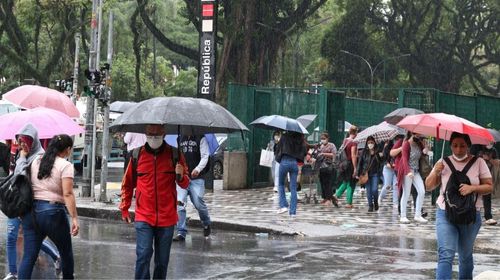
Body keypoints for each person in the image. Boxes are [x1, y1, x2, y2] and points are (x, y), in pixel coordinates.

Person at [120, 124, 190, 279]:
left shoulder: (175, 154)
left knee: (162, 261)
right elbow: (127, 183)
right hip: (144, 215)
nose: (153, 137)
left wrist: (180, 175)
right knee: (143, 255)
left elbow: (185, 184)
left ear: (164, 134)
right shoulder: (136, 155)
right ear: (145, 133)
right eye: (150, 134)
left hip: (167, 217)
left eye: (157, 134)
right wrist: (124, 208)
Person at [425, 132, 492, 280]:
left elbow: (489, 186)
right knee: (445, 254)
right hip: (445, 213)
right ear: (450, 146)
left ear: (468, 146)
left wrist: (472, 188)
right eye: (455, 145)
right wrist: (436, 171)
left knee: (465, 256)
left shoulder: (479, 162)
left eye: (462, 146)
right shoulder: (442, 162)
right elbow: (429, 186)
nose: (459, 149)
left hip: (470, 215)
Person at [18, 133, 79, 279]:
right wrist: (75, 218)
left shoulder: (35, 161)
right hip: (52, 213)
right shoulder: (65, 165)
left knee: (29, 256)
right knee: (65, 253)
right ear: (67, 149)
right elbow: (68, 194)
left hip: (31, 213)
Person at [173, 134, 212, 241]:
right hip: (182, 177)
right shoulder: (180, 138)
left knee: (198, 202)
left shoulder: (201, 138)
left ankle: (206, 223)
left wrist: (198, 169)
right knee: (179, 202)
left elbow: (205, 156)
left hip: (197, 178)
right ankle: (181, 231)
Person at [396, 132, 428, 224]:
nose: (418, 136)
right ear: (411, 134)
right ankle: (403, 216)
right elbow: (404, 159)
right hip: (407, 171)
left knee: (422, 191)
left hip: (416, 171)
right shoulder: (406, 144)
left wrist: (425, 151)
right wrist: (408, 172)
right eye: (416, 135)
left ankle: (417, 215)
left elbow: (422, 155)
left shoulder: (419, 143)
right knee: (406, 193)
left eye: (419, 135)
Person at [275, 131, 308, 217]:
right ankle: (293, 212)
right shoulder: (300, 139)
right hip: (294, 163)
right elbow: (304, 151)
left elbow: (278, 149)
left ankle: (283, 206)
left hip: (284, 161)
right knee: (293, 188)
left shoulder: (284, 136)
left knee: (281, 184)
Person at [334, 126, 359, 208]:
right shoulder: (354, 142)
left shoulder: (345, 141)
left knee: (345, 182)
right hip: (350, 165)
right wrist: (355, 167)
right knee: (351, 183)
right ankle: (349, 203)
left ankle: (336, 196)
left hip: (343, 165)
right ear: (355, 133)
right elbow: (353, 155)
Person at [357, 136, 382, 212]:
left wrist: (380, 156)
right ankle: (370, 206)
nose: (370, 144)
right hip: (366, 173)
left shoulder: (378, 151)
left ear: (374, 143)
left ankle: (376, 202)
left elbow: (382, 161)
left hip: (375, 173)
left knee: (374, 190)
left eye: (372, 142)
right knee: (369, 191)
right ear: (366, 144)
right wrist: (358, 173)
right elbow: (360, 163)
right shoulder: (363, 152)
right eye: (368, 143)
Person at [378, 135, 403, 208]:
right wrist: (387, 163)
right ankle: (380, 197)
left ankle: (395, 203)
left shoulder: (401, 146)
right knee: (387, 185)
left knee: (396, 185)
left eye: (398, 139)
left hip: (396, 169)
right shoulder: (387, 147)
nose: (397, 141)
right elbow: (383, 159)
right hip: (388, 169)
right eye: (396, 139)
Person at [477, 145, 498, 225]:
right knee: (472, 195)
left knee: (487, 196)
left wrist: (489, 158)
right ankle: (471, 215)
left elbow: (497, 163)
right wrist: (481, 158)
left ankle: (488, 217)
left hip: (487, 175)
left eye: (492, 142)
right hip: (475, 174)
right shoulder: (477, 147)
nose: (490, 143)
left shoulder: (493, 150)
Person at [315, 132, 338, 207]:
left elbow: (334, 154)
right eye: (321, 138)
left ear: (327, 139)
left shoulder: (331, 145)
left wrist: (323, 154)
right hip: (321, 167)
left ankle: (329, 199)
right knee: (322, 182)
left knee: (328, 183)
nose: (322, 140)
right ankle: (325, 197)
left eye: (324, 138)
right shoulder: (320, 146)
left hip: (329, 166)